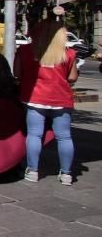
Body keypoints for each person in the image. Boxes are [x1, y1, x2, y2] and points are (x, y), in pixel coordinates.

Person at [15, 20, 78, 185]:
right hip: (61, 98)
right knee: (64, 137)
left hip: (35, 97)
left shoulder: (25, 50)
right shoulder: (69, 53)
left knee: (34, 134)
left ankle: (33, 171)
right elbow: (72, 77)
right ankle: (66, 174)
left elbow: (17, 73)